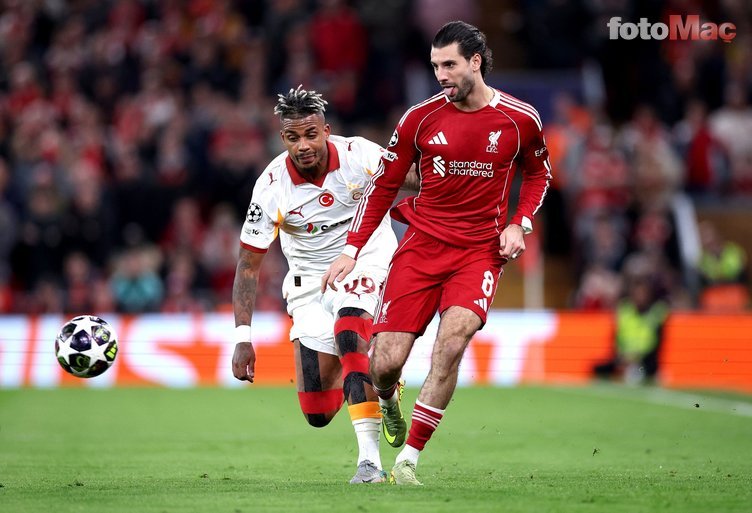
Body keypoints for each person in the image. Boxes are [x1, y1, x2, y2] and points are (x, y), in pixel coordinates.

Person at [323, 21, 552, 485]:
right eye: (435, 66)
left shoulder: (520, 119)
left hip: (480, 251)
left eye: (449, 65)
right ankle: (388, 398)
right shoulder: (419, 118)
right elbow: (383, 186)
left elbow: (538, 174)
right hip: (422, 247)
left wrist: (519, 222)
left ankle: (408, 460)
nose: (441, 75)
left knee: (451, 344)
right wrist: (351, 248)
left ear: (476, 62)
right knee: (385, 362)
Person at [231, 86, 399, 484]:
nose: (303, 145)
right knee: (318, 412)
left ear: (326, 130)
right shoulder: (271, 186)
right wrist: (242, 337)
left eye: (311, 134)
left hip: (366, 257)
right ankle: (384, 383)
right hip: (309, 283)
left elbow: (412, 177)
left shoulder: (360, 155)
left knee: (349, 330)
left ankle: (369, 463)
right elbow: (248, 266)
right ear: (282, 138)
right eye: (293, 137)